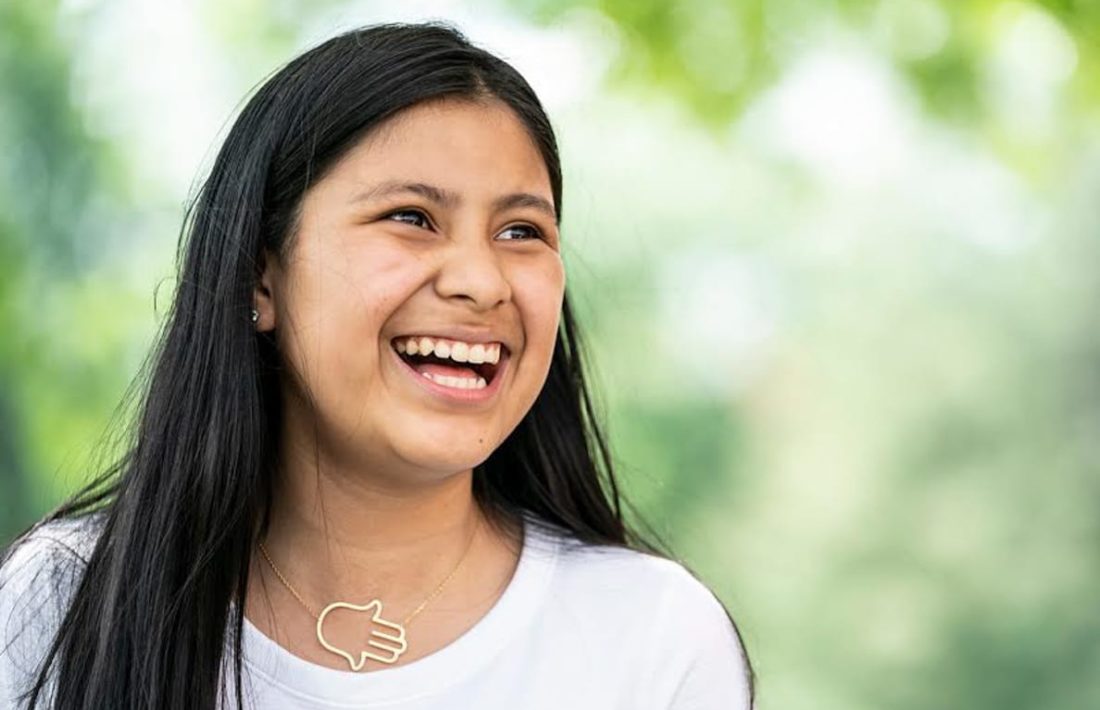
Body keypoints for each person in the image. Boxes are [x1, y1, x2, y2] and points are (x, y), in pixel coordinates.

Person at [0, 21, 753, 709]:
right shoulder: (65, 601)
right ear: (262, 277)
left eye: (522, 230)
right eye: (412, 219)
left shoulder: (653, 640)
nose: (481, 281)